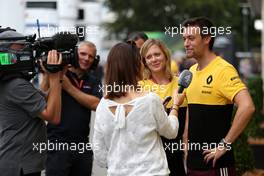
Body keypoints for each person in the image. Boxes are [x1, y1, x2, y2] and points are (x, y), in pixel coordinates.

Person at [93, 42, 185, 176]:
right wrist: (176, 105)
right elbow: (171, 132)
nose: (143, 64)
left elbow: (99, 153)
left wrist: (120, 165)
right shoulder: (150, 100)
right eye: (140, 60)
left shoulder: (103, 104)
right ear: (135, 65)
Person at [182, 17, 255, 176]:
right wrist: (186, 144)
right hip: (193, 165)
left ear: (207, 38)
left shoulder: (223, 70)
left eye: (191, 38)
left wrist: (224, 145)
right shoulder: (191, 71)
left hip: (216, 166)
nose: (186, 43)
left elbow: (248, 106)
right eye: (184, 38)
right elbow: (191, 113)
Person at [0, 30, 62, 176]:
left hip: (18, 162)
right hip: (19, 165)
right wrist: (55, 78)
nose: (26, 52)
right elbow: (53, 116)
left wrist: (52, 74)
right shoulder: (16, 85)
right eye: (20, 48)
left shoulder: (11, 82)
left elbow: (43, 100)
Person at [42, 41, 102, 176]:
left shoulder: (94, 80)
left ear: (95, 60)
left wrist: (69, 88)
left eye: (91, 56)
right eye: (83, 54)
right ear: (75, 54)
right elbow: (42, 99)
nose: (86, 59)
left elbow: (97, 104)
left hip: (82, 144)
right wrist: (48, 74)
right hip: (57, 144)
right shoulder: (58, 73)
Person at [140, 38, 187, 176]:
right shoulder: (140, 87)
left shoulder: (181, 84)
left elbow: (188, 124)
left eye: (157, 54)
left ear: (165, 55)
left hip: (177, 157)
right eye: (148, 57)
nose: (153, 59)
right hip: (152, 161)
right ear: (145, 62)